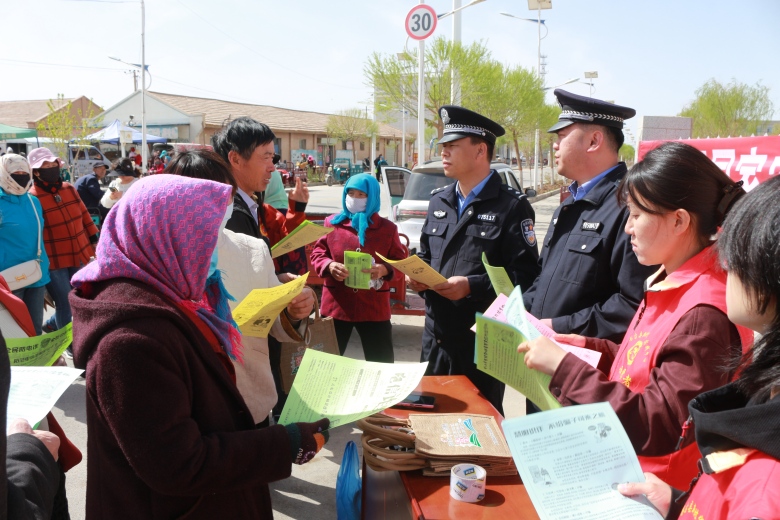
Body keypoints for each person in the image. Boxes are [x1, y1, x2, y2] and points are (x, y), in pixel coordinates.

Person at [70, 174, 329, 519]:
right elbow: (178, 463)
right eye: (205, 240)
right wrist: (286, 443)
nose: (214, 253)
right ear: (163, 239)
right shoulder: (131, 340)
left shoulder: (169, 300)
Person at [518, 142, 754, 490]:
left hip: (656, 491)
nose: (627, 228)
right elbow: (648, 362)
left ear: (679, 220)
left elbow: (658, 425)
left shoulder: (704, 313)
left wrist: (565, 369)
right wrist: (590, 349)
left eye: (636, 215)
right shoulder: (676, 278)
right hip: (628, 472)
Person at [618, 175, 780, 519]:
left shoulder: (766, 484)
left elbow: (658, 420)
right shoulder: (765, 403)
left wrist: (565, 369)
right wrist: (678, 504)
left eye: (735, 255)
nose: (723, 267)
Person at [166, 150, 315, 426]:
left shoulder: (252, 250)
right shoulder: (157, 256)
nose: (218, 204)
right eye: (204, 196)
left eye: (225, 195)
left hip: (249, 402)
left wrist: (294, 310)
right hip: (185, 410)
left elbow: (275, 324)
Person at [407, 105, 541, 414]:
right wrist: (416, 276)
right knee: (429, 420)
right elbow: (426, 254)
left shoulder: (512, 206)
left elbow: (526, 278)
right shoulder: (439, 200)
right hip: (435, 339)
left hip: (481, 344)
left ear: (481, 150)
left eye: (453, 145)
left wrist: (472, 286)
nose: (444, 152)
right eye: (443, 145)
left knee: (478, 426)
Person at [522, 90, 657, 344]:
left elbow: (633, 304)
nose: (555, 145)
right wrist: (519, 311)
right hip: (547, 354)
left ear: (594, 141)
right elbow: (545, 278)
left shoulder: (631, 207)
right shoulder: (569, 204)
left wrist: (559, 327)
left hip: (586, 362)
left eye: (562, 136)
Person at [311, 174, 406, 362]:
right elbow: (317, 254)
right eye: (351, 193)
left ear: (372, 197)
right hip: (337, 305)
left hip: (374, 308)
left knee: (380, 364)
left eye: (361, 194)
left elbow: (401, 263)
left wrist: (384, 269)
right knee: (326, 363)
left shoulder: (388, 229)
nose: (354, 198)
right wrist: (329, 265)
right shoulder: (332, 223)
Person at [27, 147, 99, 338]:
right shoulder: (32, 197)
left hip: (79, 252)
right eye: (45, 167)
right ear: (36, 172)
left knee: (81, 296)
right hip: (54, 259)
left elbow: (84, 214)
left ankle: (54, 325)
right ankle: (67, 342)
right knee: (65, 302)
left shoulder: (69, 188)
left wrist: (94, 239)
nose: (52, 169)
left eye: (53, 165)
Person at [0, 153, 50, 334]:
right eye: (15, 173)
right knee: (12, 333)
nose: (21, 176)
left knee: (34, 330)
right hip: (7, 279)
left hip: (35, 275)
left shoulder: (33, 201)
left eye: (24, 172)